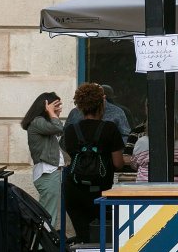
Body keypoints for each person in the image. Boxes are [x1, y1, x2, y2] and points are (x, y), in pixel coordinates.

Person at [62, 83, 125, 243]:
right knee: (102, 238)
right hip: (100, 191)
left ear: (80, 106)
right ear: (102, 104)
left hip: (74, 191)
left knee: (83, 237)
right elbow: (118, 163)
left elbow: (68, 158)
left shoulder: (70, 130)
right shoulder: (110, 129)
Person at [21, 92, 65, 228]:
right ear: (45, 106)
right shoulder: (38, 121)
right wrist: (51, 113)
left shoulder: (43, 123)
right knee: (48, 216)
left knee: (49, 215)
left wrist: (53, 114)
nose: (59, 108)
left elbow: (57, 131)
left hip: (51, 173)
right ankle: (42, 248)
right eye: (55, 105)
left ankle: (44, 246)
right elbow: (59, 128)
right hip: (48, 174)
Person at [131, 114, 178, 182]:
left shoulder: (141, 142)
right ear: (175, 126)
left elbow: (134, 164)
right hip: (175, 187)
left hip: (145, 187)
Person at [66, 83, 132, 141]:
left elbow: (125, 136)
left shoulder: (117, 112)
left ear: (103, 97)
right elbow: (65, 138)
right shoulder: (75, 112)